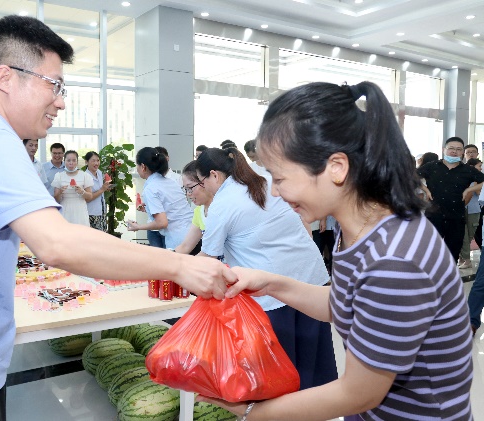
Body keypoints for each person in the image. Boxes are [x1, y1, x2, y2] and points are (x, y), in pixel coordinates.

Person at [0, 15, 235, 421]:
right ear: (6, 77)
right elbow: (57, 243)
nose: (61, 101)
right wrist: (180, 265)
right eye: (54, 85)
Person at [199, 81, 474, 421]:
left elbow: (358, 393)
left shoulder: (394, 260)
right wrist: (270, 283)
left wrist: (253, 411)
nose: (276, 193)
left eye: (280, 178)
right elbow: (345, 305)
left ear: (337, 167)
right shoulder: (360, 228)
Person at [195, 147, 337, 392]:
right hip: (309, 276)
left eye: (200, 182)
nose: (202, 188)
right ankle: (319, 407)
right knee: (313, 361)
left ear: (214, 175)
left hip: (273, 293)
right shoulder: (265, 178)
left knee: (282, 370)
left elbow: (208, 257)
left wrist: (173, 268)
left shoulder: (223, 203)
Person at [417, 137, 484, 262]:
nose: (454, 151)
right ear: (444, 149)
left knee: (452, 254)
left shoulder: (468, 170)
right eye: (451, 148)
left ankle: (449, 273)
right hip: (433, 216)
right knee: (429, 252)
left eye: (458, 149)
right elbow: (411, 176)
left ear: (462, 152)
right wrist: (425, 189)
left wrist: (469, 189)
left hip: (456, 217)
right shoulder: (432, 166)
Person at [127, 147, 193, 249]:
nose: (137, 168)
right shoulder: (170, 182)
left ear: (143, 167)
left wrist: (138, 227)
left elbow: (162, 223)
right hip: (193, 233)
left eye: (137, 165)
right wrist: (149, 209)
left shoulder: (151, 188)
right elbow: (172, 208)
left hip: (178, 239)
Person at [174, 161, 212, 255]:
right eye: (186, 189)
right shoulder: (199, 212)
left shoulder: (222, 209)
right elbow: (185, 246)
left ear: (205, 182)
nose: (188, 194)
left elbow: (210, 254)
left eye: (190, 188)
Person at [51, 150, 93, 226]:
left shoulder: (85, 176)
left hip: (80, 210)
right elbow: (56, 199)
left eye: (74, 160)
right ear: (64, 161)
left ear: (77, 161)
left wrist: (82, 192)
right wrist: (60, 192)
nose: (71, 163)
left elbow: (90, 196)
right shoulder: (59, 176)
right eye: (68, 160)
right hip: (65, 208)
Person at [458, 157, 483, 268]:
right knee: (463, 235)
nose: (481, 168)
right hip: (463, 209)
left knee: (469, 236)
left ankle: (465, 259)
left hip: (474, 210)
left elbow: (478, 192)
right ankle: (465, 259)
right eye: (479, 166)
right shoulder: (466, 178)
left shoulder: (478, 180)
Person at [83, 151, 112, 231]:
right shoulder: (85, 176)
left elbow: (100, 190)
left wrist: (106, 188)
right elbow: (87, 199)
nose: (96, 163)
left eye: (98, 160)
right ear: (86, 162)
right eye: (93, 161)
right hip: (91, 214)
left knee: (102, 235)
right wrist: (102, 189)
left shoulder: (99, 173)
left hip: (101, 211)